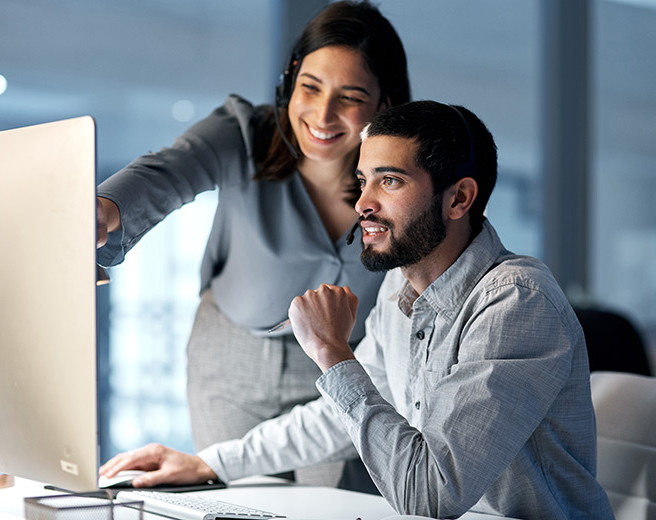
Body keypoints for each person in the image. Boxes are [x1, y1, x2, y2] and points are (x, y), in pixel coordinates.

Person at [100, 100, 615, 519]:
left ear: (459, 199)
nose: (362, 203)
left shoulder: (514, 302)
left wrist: (330, 352)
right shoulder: (400, 289)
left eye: (389, 181)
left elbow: (431, 495)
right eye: (363, 180)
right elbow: (337, 418)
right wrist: (210, 462)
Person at [96, 1, 410, 488]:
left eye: (349, 96)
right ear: (290, 79)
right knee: (235, 498)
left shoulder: (398, 181)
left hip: (338, 364)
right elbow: (170, 169)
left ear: (384, 104)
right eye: (310, 87)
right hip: (232, 359)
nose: (322, 114)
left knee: (335, 505)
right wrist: (107, 208)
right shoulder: (244, 133)